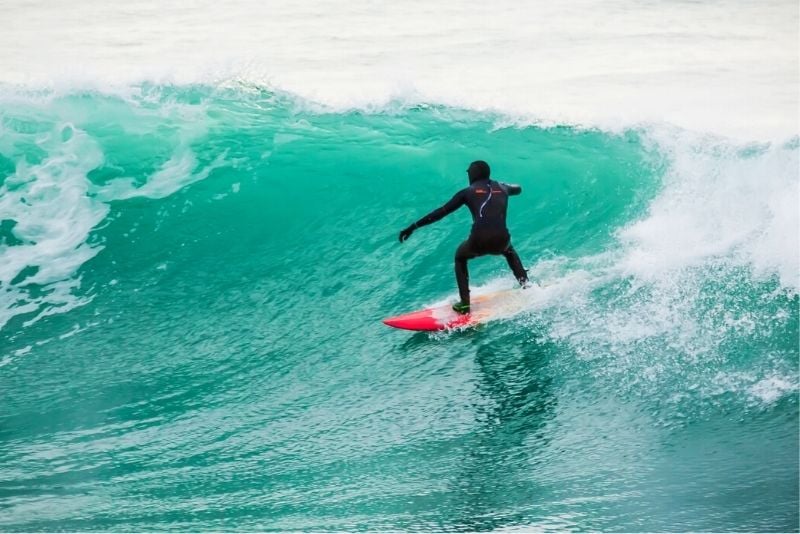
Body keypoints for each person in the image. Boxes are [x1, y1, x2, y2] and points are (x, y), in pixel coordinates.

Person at [398, 160, 529, 314]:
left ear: (473, 174)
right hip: (502, 239)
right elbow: (518, 189)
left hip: (479, 240)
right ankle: (527, 286)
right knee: (509, 251)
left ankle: (465, 303)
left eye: (469, 172)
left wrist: (413, 226)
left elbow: (441, 212)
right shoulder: (503, 187)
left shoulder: (467, 192)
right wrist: (505, 187)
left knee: (460, 257)